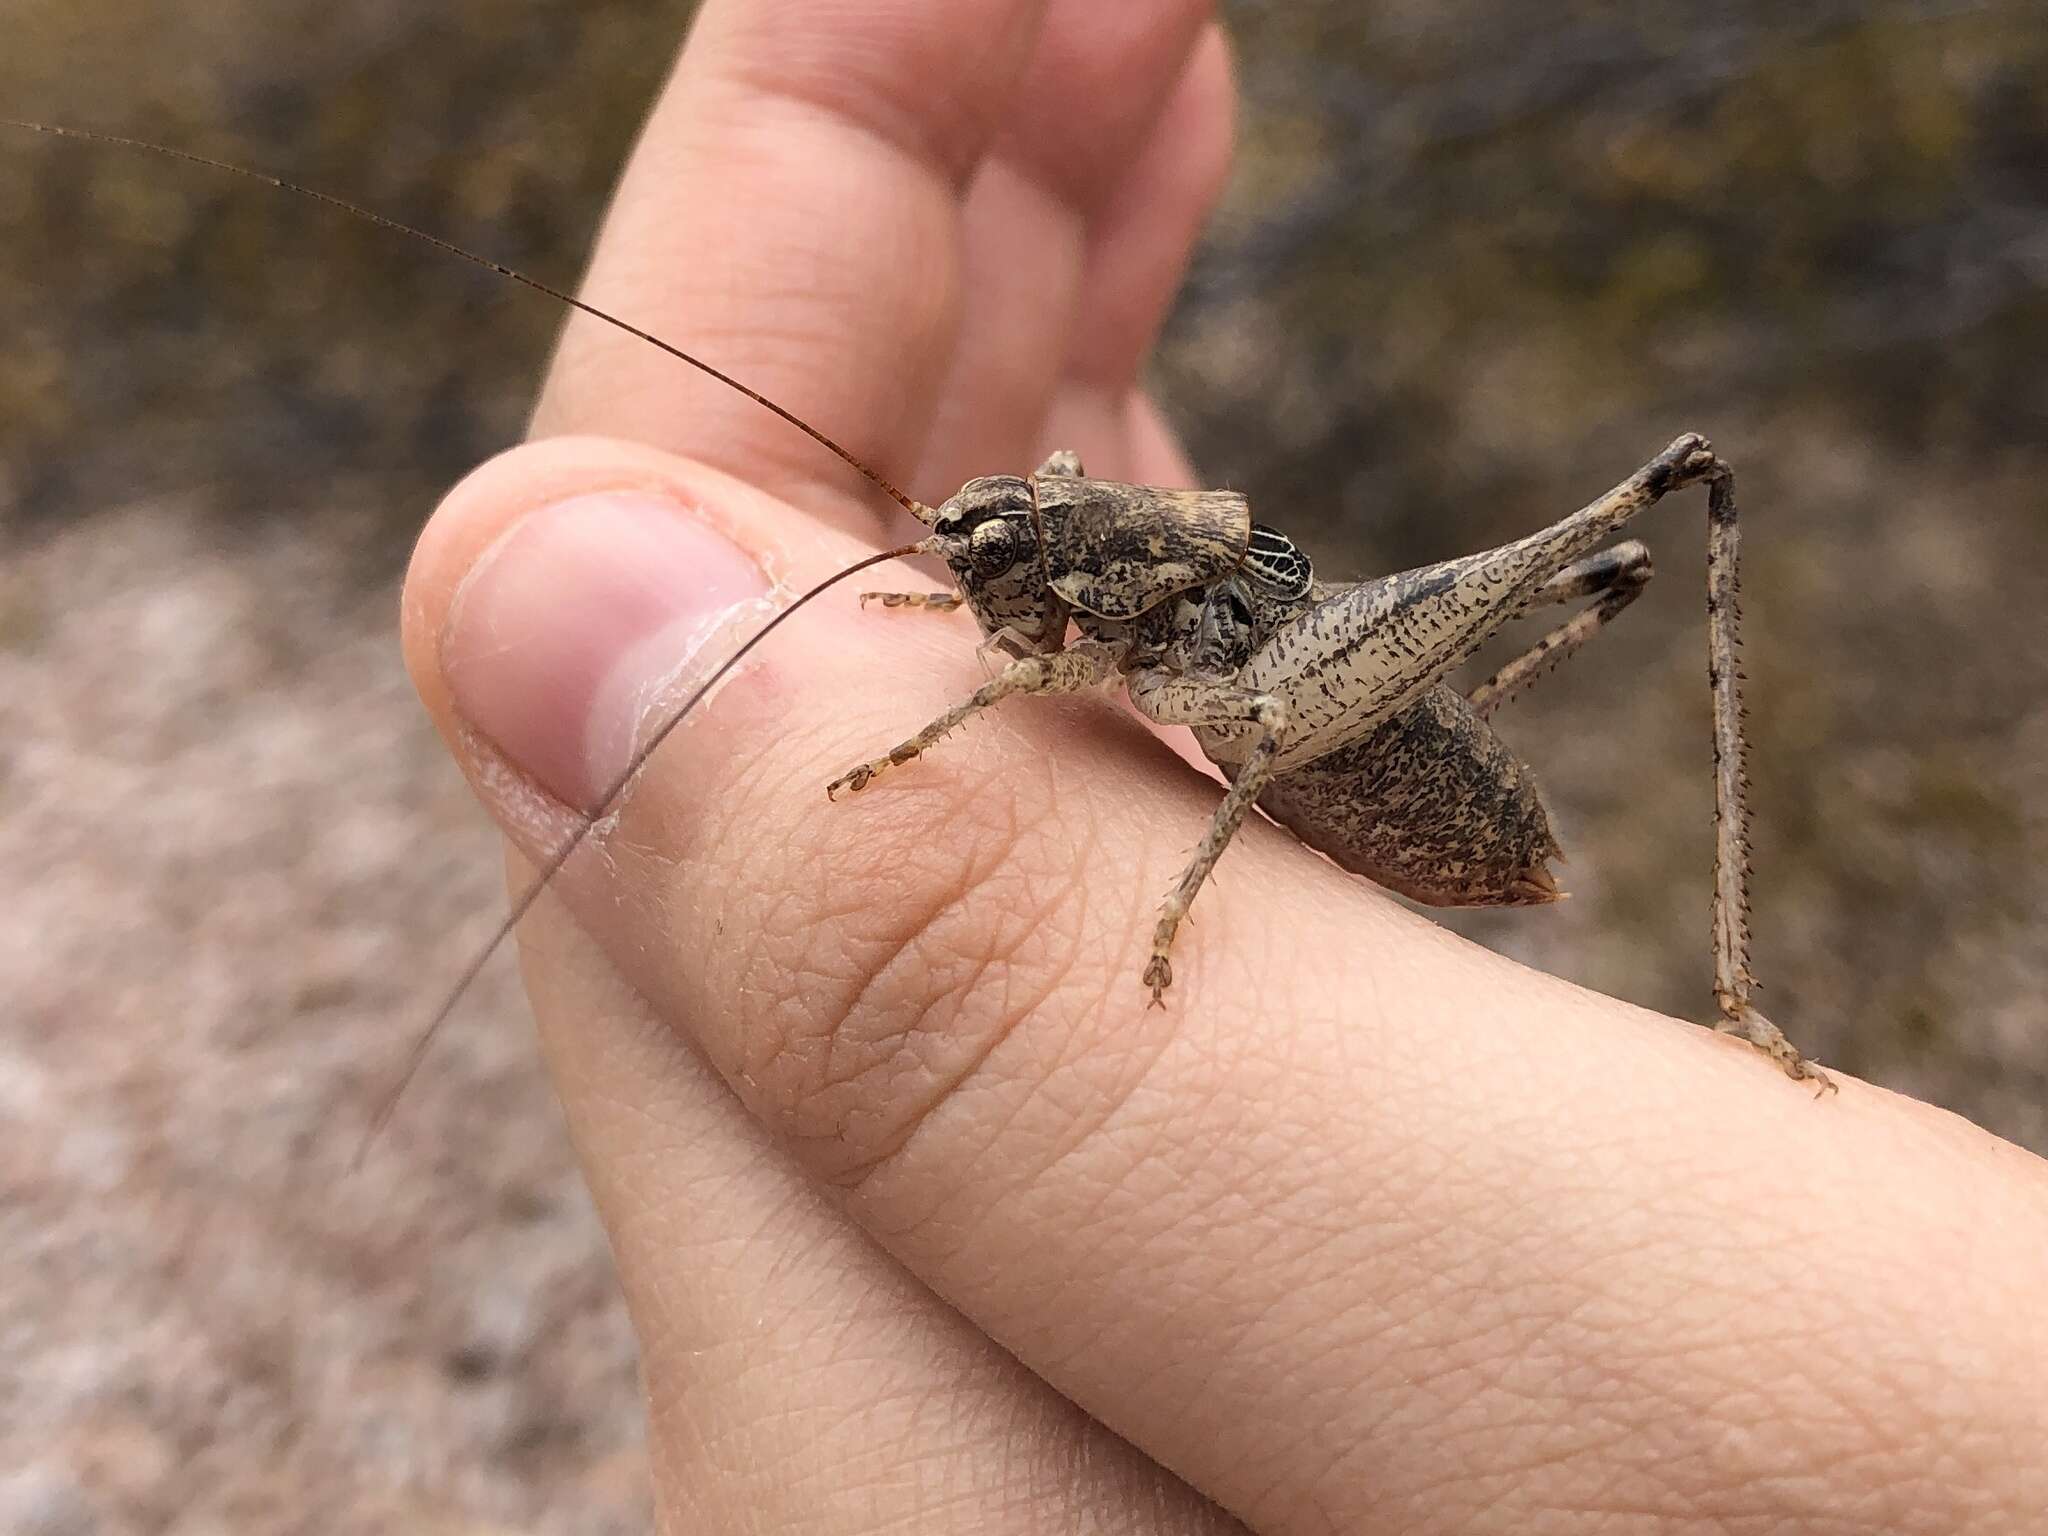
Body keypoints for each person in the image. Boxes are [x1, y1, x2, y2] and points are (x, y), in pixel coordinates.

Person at [400, 1, 2048, 1528]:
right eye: (976, 562)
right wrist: (958, 592)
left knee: (1668, 492)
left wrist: (1055, 782)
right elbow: (1037, 582)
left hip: (1318, 708)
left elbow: (1165, 675)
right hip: (1284, 690)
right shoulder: (1044, 559)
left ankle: (1742, 996)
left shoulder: (1119, 603)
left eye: (992, 560)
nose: (978, 581)